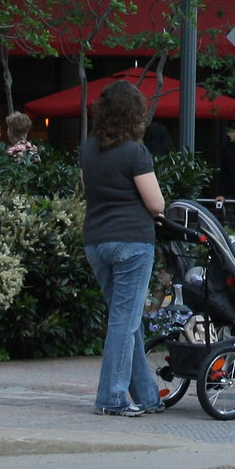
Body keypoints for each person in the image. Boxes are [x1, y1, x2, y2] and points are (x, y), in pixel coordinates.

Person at [78, 81, 164, 416]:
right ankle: (111, 397)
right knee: (125, 323)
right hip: (132, 240)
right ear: (134, 115)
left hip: (96, 240)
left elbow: (89, 190)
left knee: (124, 320)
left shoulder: (88, 149)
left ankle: (147, 395)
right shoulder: (135, 152)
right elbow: (155, 203)